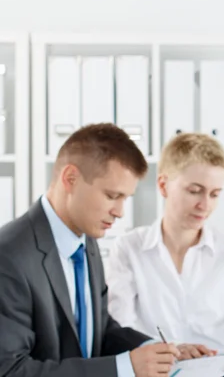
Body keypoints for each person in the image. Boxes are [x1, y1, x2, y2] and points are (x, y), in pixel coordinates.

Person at [0, 123, 202, 377]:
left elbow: (99, 329)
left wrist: (155, 351)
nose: (119, 212)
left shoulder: (86, 239)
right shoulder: (9, 256)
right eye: (111, 196)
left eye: (125, 198)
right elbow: (9, 370)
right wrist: (124, 368)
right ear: (70, 179)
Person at [107, 132, 224, 369]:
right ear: (163, 185)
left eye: (214, 194)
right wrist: (171, 350)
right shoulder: (129, 248)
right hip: (160, 372)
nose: (205, 205)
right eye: (194, 191)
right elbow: (120, 330)